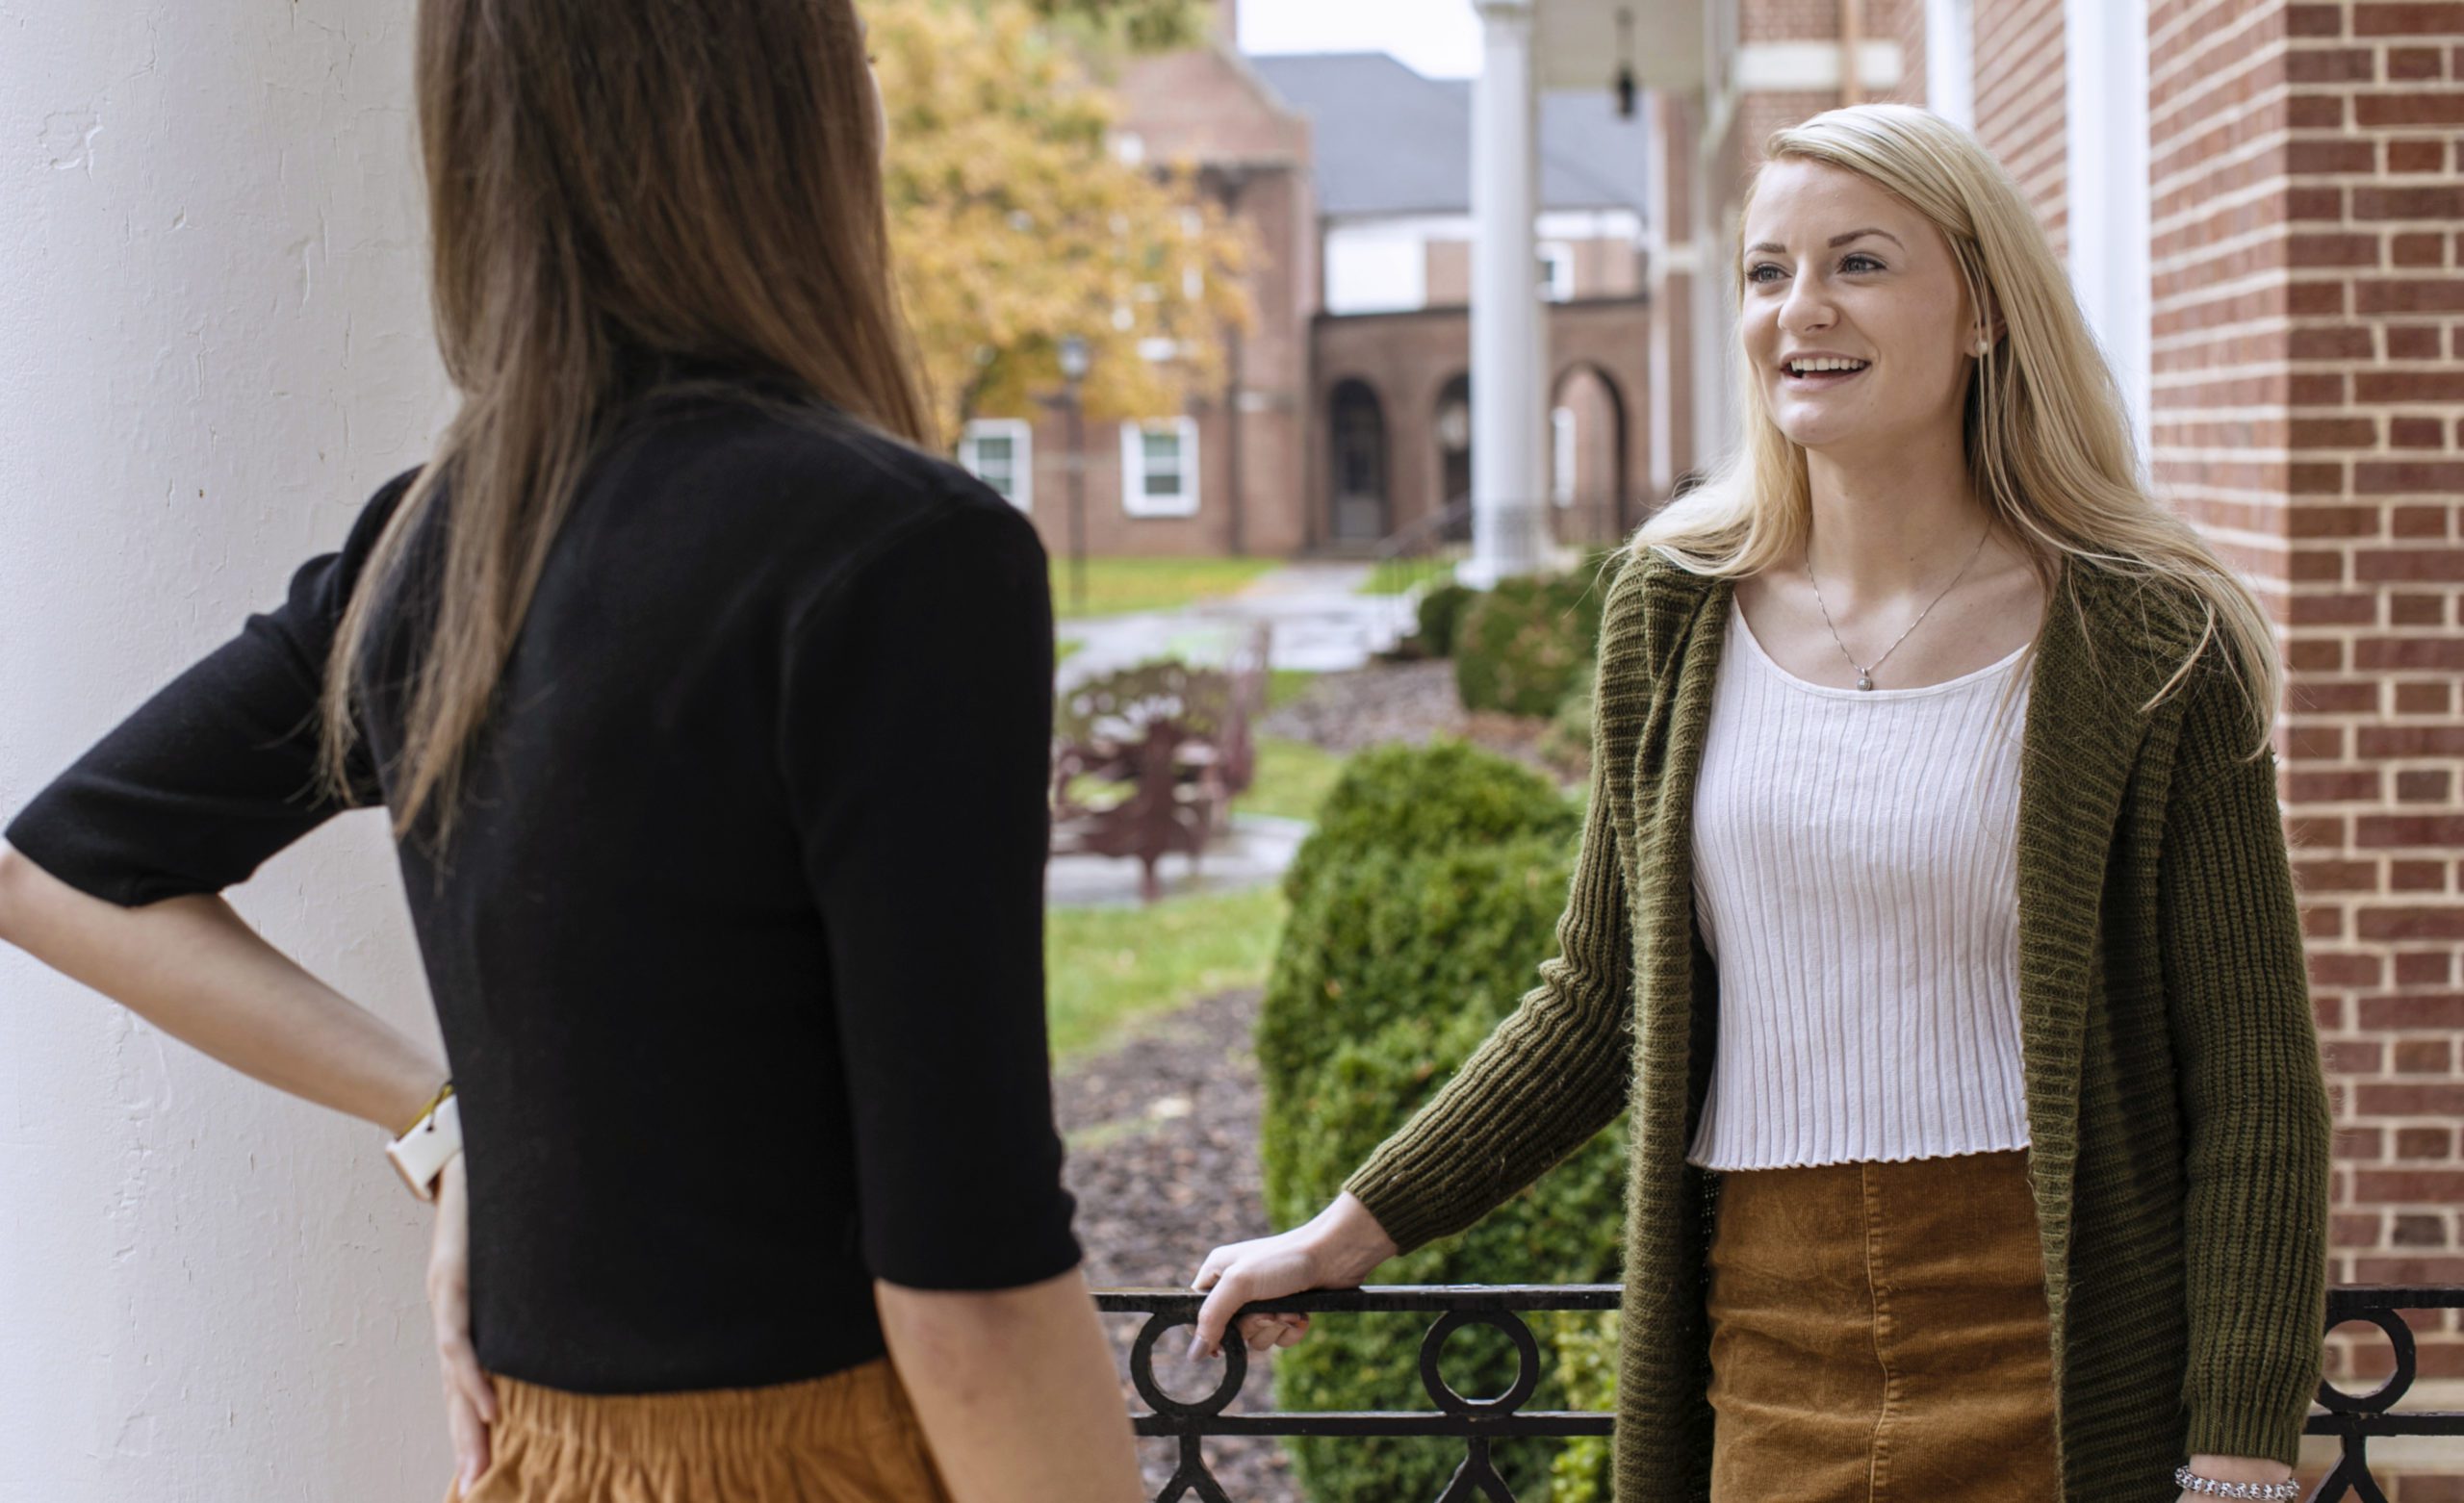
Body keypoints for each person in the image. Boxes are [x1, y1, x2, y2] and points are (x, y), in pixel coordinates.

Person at [0, 3, 1143, 1501]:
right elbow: (967, 1279)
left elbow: (61, 866)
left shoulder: (435, 546)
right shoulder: (904, 558)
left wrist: (441, 1115)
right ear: (790, 115)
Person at [1188, 102, 2329, 1503]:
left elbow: (2255, 1077)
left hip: (2062, 1357)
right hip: (1764, 1354)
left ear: (1982, 308)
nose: (1801, 309)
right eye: (1765, 269)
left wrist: (2241, 1445)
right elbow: (1598, 999)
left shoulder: (2153, 640)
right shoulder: (1672, 612)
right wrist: (1348, 1230)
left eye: (1859, 263)